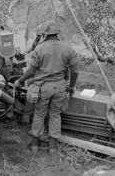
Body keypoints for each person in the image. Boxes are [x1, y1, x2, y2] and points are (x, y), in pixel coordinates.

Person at [14, 21, 79, 154]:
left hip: (43, 88)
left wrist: (20, 80)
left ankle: (34, 145)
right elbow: (75, 71)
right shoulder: (68, 48)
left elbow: (31, 71)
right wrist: (71, 87)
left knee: (39, 114)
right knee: (55, 115)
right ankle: (52, 147)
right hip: (60, 88)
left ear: (45, 35)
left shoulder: (40, 48)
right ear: (57, 34)